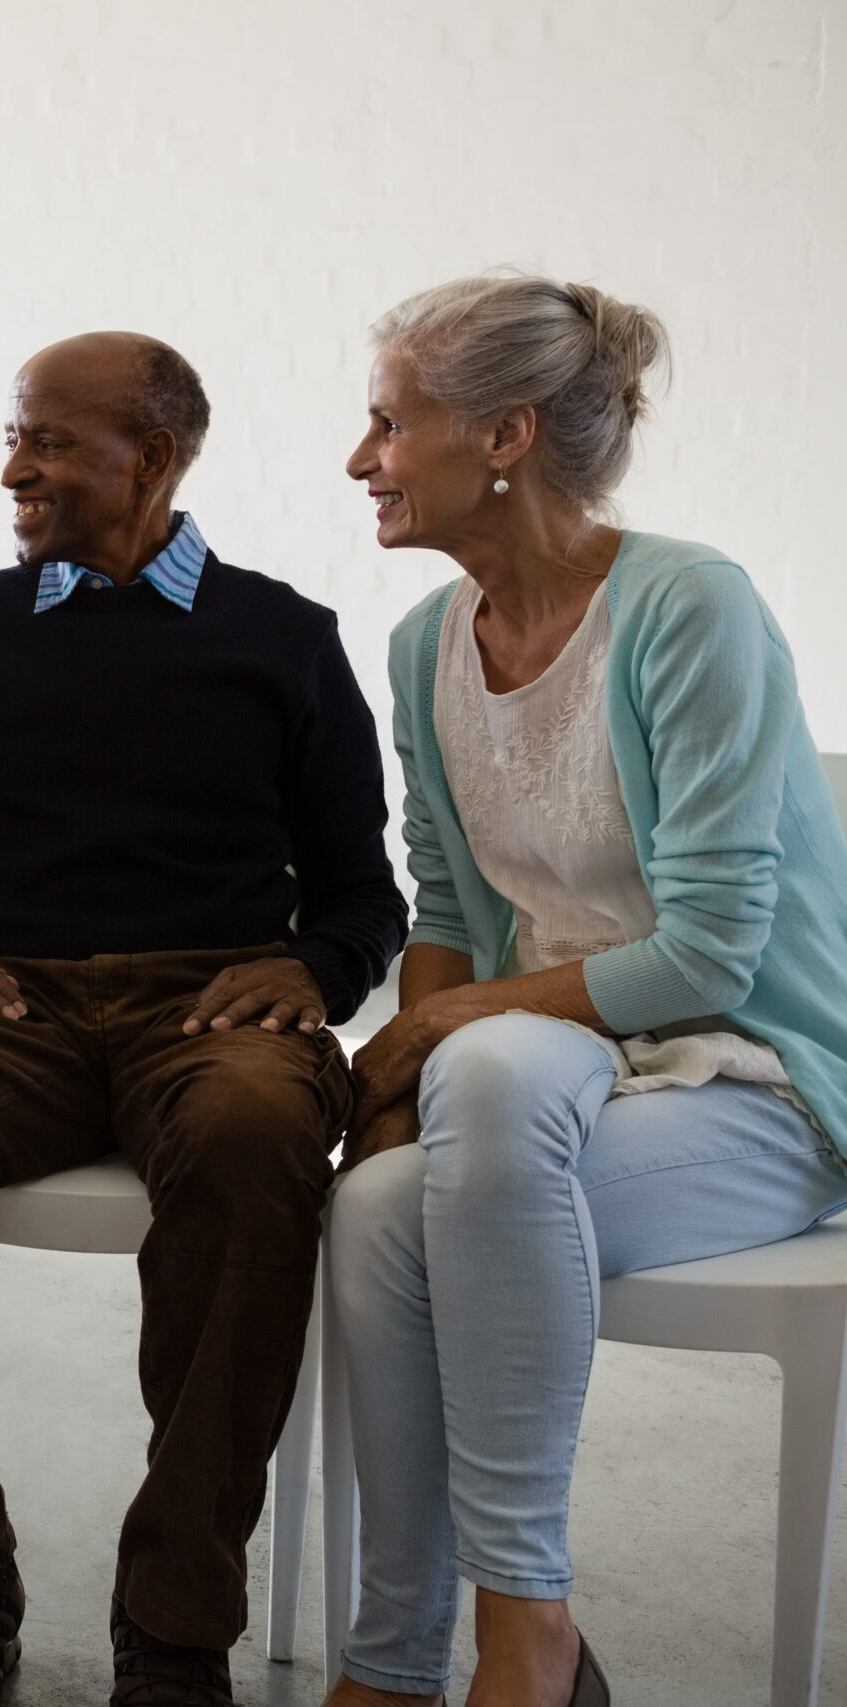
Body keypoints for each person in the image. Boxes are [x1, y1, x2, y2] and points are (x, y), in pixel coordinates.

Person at [0, 332, 408, 1707]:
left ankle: (177, 1615)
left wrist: (314, 975)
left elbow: (367, 898)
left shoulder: (284, 640)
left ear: (158, 457)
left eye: (52, 444)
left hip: (216, 1004)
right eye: (15, 440)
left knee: (260, 1135)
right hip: (9, 1002)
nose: (17, 470)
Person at [325, 274, 847, 1707]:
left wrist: (432, 1029)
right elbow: (445, 904)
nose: (361, 460)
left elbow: (711, 956)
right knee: (376, 1202)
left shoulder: (690, 609)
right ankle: (394, 1663)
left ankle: (524, 1633)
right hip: (553, 1076)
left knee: (481, 1074)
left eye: (388, 423)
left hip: (762, 1080)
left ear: (502, 434)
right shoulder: (428, 645)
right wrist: (388, 1106)